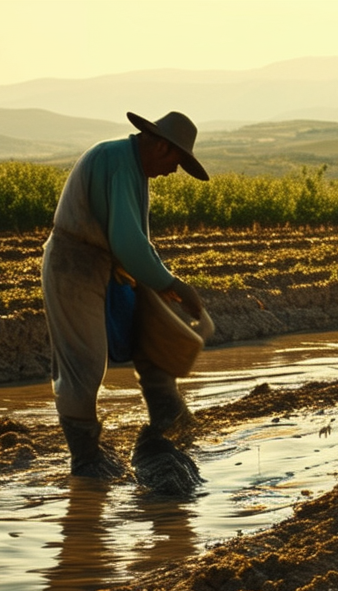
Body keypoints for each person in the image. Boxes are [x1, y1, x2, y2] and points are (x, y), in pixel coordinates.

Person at [41, 111, 209, 479]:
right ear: (161, 146)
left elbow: (132, 242)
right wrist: (171, 283)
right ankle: (85, 459)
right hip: (74, 263)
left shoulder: (132, 166)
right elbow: (129, 241)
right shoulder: (117, 160)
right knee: (83, 363)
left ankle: (168, 416)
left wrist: (154, 282)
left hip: (106, 263)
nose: (172, 172)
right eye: (175, 162)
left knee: (152, 333)